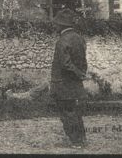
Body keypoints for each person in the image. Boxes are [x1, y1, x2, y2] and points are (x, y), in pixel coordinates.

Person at [50, 8, 88, 148]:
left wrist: (77, 73)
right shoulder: (79, 38)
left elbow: (65, 64)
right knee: (75, 111)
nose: (55, 26)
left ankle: (76, 141)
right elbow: (83, 61)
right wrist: (81, 74)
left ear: (61, 25)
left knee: (66, 113)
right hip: (75, 83)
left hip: (63, 83)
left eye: (57, 24)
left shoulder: (62, 40)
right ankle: (81, 139)